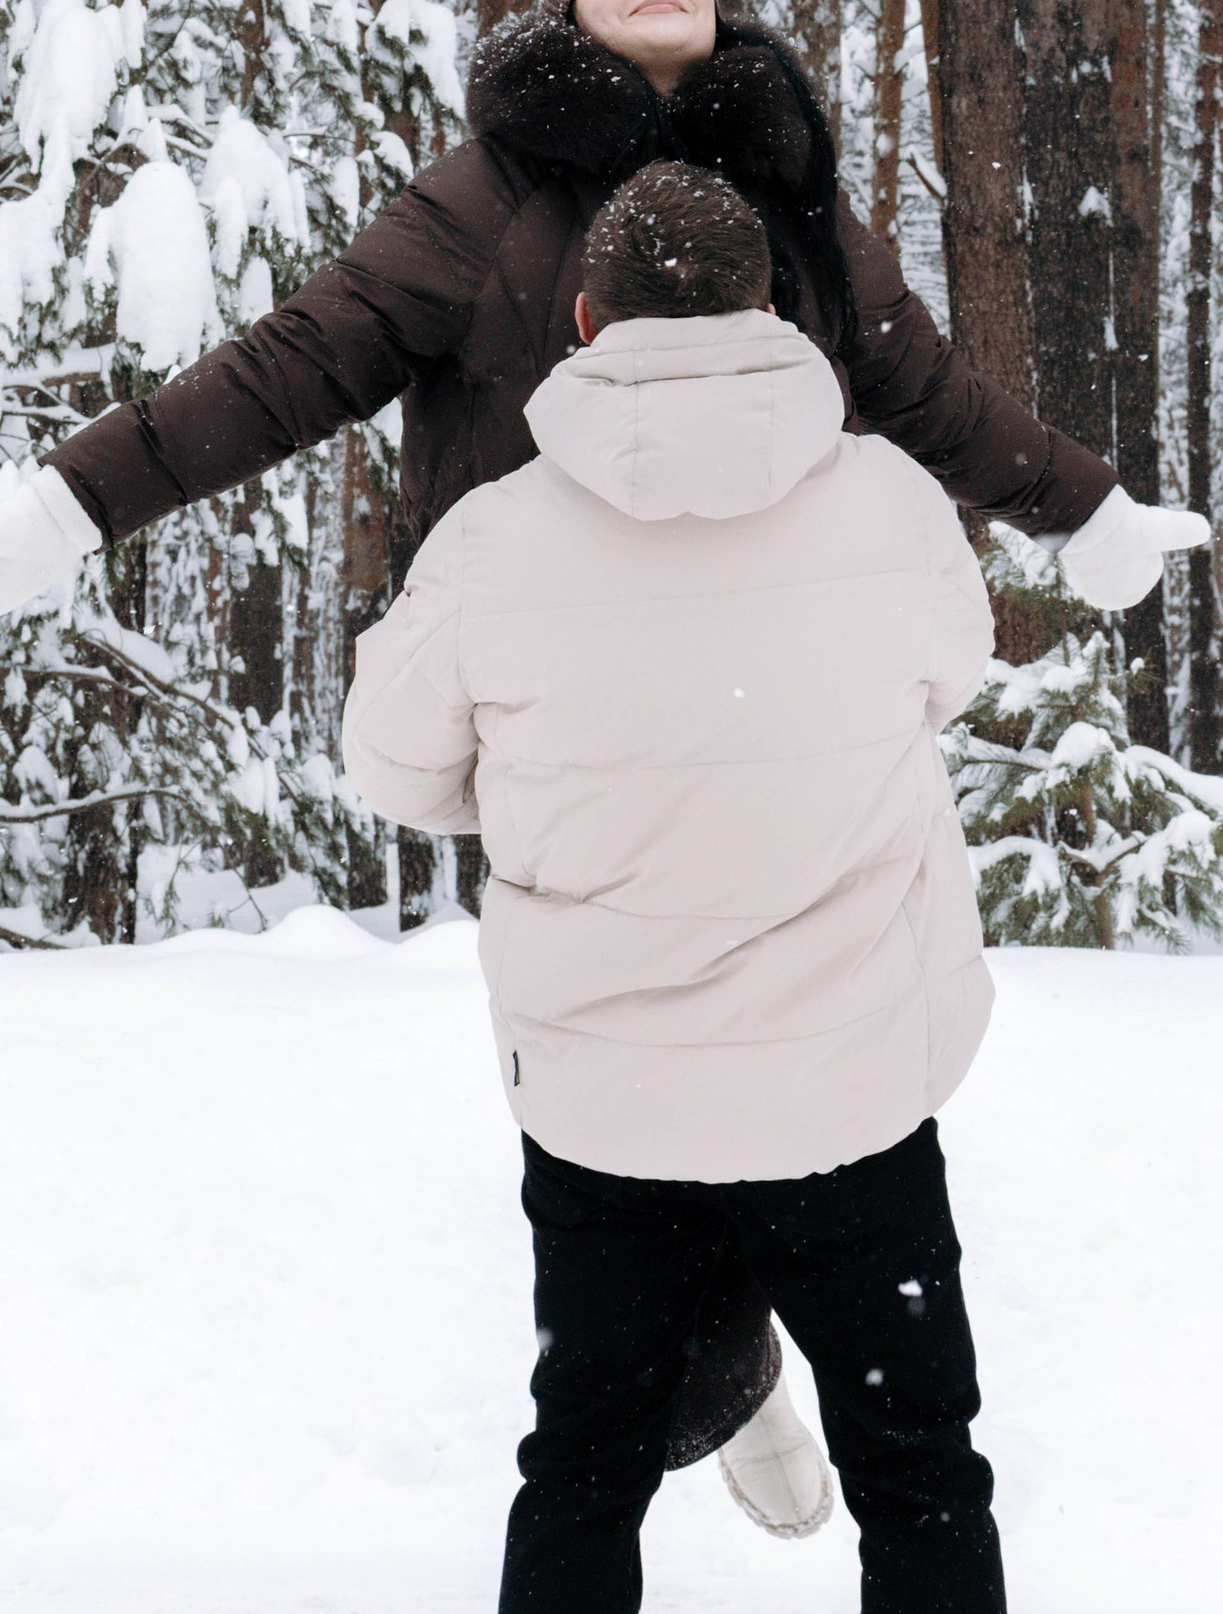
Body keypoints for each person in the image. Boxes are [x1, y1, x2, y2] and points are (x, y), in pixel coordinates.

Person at [0, 0, 1206, 1523]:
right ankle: (731, 1375)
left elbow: (920, 386)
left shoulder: (788, 194)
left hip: (767, 709)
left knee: (735, 1061)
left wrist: (1086, 511)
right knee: (669, 1060)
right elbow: (288, 368)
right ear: (565, 25)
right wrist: (67, 506)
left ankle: (715, 1372)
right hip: (557, 699)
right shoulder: (482, 204)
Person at [343, 161, 1008, 1613]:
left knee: (585, 1461)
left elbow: (393, 770)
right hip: (853, 1096)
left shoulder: (494, 541)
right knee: (919, 1466)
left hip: (609, 1112)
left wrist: (532, 794)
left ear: (585, 320)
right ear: (777, 311)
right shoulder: (890, 502)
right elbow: (944, 679)